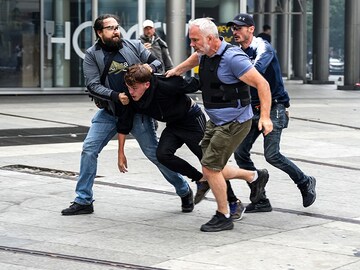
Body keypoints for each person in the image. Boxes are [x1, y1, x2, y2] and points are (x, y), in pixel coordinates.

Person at [61, 14, 193, 216]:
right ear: (99, 33)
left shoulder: (133, 46)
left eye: (117, 27)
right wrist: (115, 96)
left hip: (139, 113)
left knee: (154, 154)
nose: (116, 31)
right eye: (110, 28)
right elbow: (92, 85)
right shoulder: (92, 54)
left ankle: (184, 190)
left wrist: (149, 66)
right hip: (109, 112)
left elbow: (158, 64)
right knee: (89, 148)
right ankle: (84, 200)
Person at [166, 18, 273, 232]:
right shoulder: (205, 53)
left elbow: (263, 84)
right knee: (211, 168)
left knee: (210, 168)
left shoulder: (233, 58)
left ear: (211, 38)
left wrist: (266, 117)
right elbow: (193, 60)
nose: (192, 44)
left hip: (235, 121)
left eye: (195, 40)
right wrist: (175, 71)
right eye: (191, 39)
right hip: (215, 121)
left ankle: (224, 215)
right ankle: (254, 176)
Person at [117, 64, 246, 220]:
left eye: (134, 88)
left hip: (191, 119)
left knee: (210, 163)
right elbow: (124, 123)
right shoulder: (130, 97)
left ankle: (234, 202)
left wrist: (225, 85)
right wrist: (121, 152)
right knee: (162, 155)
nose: (131, 92)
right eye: (129, 88)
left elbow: (195, 84)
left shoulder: (166, 84)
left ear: (147, 84)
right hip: (174, 125)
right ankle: (200, 180)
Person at [226, 13, 316, 212]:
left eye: (239, 28)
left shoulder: (262, 47)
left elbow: (255, 71)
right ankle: (261, 200)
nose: (235, 32)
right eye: (233, 28)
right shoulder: (237, 51)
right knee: (241, 153)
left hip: (275, 107)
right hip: (253, 109)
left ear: (251, 29)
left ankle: (305, 182)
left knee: (272, 154)